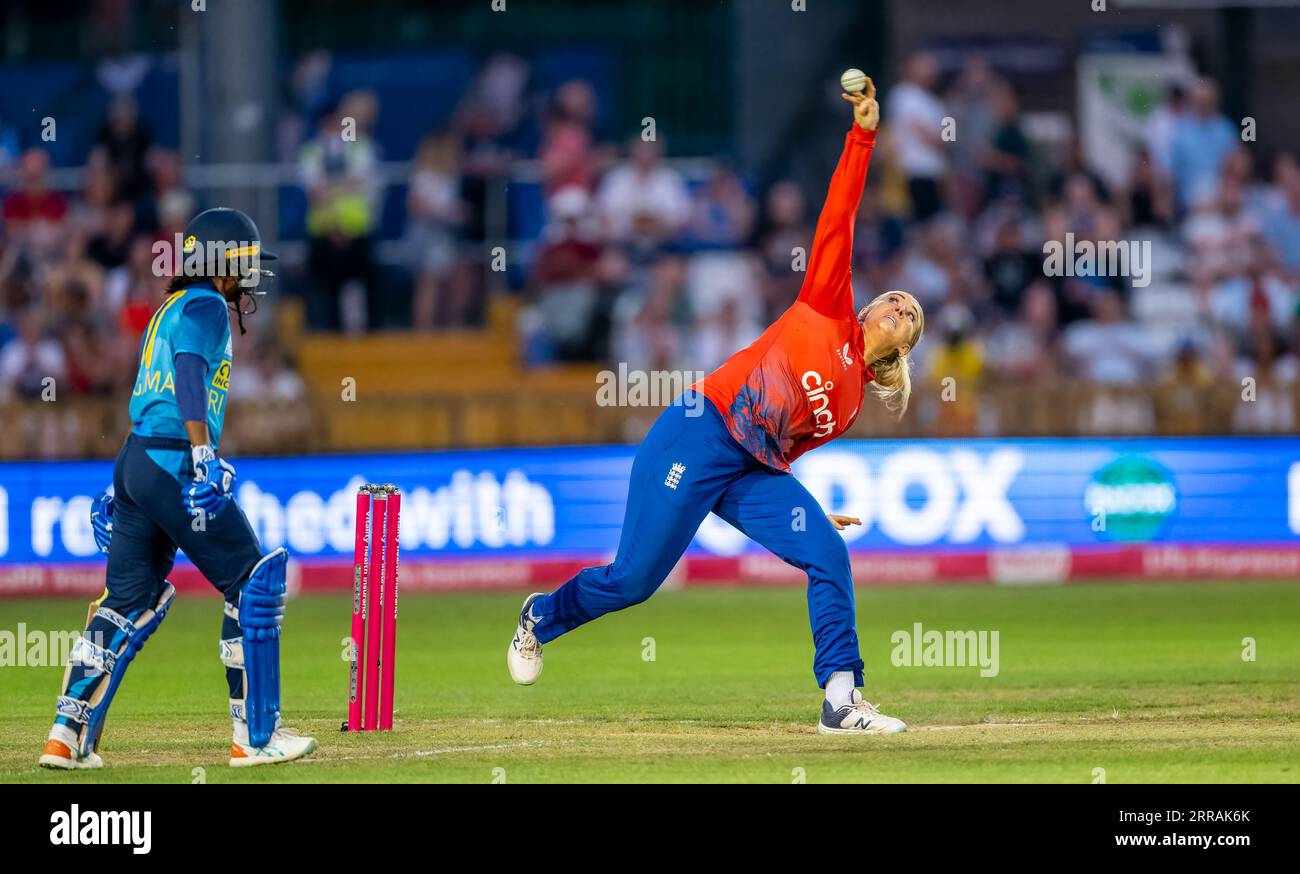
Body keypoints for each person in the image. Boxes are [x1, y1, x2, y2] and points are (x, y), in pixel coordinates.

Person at [507, 77, 925, 734]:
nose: (901, 309)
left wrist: (807, 511)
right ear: (871, 308)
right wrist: (863, 134)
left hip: (751, 469)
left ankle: (841, 700)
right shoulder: (825, 301)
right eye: (897, 301)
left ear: (901, 349)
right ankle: (540, 617)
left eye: (912, 317)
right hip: (700, 432)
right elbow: (839, 213)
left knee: (825, 553)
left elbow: (782, 448)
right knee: (631, 583)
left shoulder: (849, 405)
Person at [38, 208, 317, 770]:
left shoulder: (166, 308)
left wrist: (131, 480)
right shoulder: (207, 304)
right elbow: (188, 371)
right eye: (242, 261)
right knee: (252, 583)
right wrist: (203, 453)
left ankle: (65, 738)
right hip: (173, 463)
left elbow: (152, 390)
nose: (249, 275)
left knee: (126, 602)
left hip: (138, 459)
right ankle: (256, 736)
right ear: (220, 262)